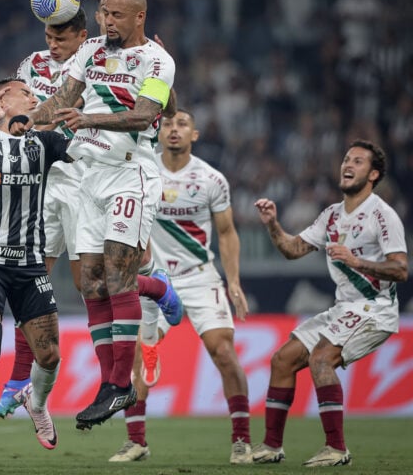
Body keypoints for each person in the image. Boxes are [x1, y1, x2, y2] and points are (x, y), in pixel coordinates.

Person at [0, 4, 182, 423]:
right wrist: (19, 122)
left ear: (140, 16)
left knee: (117, 276)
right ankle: (109, 385)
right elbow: (62, 98)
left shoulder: (158, 59)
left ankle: (118, 384)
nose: (107, 21)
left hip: (129, 170)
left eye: (115, 14)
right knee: (91, 284)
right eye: (103, 13)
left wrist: (85, 118)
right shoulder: (90, 50)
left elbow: (148, 113)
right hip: (86, 173)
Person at [110, 109, 254, 464]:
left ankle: (242, 440)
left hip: (200, 275)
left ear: (195, 134)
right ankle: (136, 441)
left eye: (183, 125)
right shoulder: (143, 171)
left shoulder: (211, 179)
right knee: (140, 359)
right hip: (156, 278)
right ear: (159, 132)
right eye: (169, 124)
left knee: (223, 353)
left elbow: (226, 233)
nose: (174, 130)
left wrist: (233, 281)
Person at [252, 139, 408, 467]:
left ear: (373, 174)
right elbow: (293, 250)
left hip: (374, 308)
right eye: (347, 159)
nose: (348, 165)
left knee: (321, 359)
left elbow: (400, 269)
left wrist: (356, 262)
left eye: (358, 162)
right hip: (343, 308)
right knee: (282, 360)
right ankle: (271, 447)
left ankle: (336, 448)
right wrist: (273, 225)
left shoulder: (383, 215)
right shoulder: (331, 215)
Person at [0, 78, 71, 473]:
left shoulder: (45, 143)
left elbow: (89, 156)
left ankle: (35, 403)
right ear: (3, 100)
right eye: (26, 92)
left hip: (30, 264)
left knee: (50, 354)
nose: (34, 97)